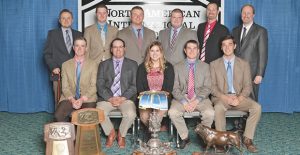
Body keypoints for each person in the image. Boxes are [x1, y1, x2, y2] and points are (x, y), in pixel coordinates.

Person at [210, 35, 261, 153]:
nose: (227, 47)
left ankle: (247, 138)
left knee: (257, 107)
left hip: (239, 97)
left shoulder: (243, 64)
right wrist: (225, 97)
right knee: (218, 108)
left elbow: (248, 86)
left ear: (235, 46)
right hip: (221, 97)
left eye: (230, 44)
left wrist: (239, 98)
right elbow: (212, 87)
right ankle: (221, 142)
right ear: (221, 48)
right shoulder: (214, 64)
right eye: (224, 45)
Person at [168, 40, 214, 149]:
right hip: (182, 97)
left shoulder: (206, 66)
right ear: (185, 50)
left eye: (194, 48)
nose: (192, 50)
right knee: (172, 112)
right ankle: (185, 137)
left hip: (200, 98)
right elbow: (174, 88)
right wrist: (184, 102)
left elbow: (208, 87)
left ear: (198, 51)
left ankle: (203, 136)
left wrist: (196, 100)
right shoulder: (177, 67)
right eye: (189, 48)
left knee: (210, 113)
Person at [96, 38, 138, 148]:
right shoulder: (103, 65)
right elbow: (100, 85)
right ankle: (111, 133)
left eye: (120, 47)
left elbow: (134, 86)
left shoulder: (133, 64)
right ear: (111, 49)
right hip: (107, 98)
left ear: (125, 49)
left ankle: (121, 135)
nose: (118, 49)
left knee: (131, 114)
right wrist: (110, 98)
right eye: (115, 47)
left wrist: (123, 98)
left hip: (125, 98)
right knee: (99, 112)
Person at [136, 41, 174, 140]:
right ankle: (152, 132)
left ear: (161, 52)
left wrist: (160, 95)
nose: (155, 53)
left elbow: (169, 88)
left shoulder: (168, 67)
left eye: (157, 50)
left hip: (163, 98)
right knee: (144, 116)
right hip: (146, 97)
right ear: (149, 53)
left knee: (156, 117)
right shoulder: (142, 67)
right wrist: (148, 96)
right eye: (152, 51)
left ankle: (151, 138)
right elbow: (140, 87)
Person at [44, 9, 82, 108]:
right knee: (59, 101)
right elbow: (47, 54)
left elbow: (83, 53)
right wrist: (53, 67)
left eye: (68, 18)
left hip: (76, 74)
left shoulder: (79, 34)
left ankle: (75, 119)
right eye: (63, 18)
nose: (66, 20)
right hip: (59, 74)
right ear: (59, 20)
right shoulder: (52, 34)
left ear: (72, 20)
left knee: (76, 99)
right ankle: (59, 121)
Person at [54, 37, 98, 122]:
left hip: (87, 98)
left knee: (85, 120)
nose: (80, 48)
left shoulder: (93, 64)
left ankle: (77, 132)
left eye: (82, 46)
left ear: (86, 48)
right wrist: (73, 100)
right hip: (69, 97)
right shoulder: (65, 65)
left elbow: (94, 86)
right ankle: (68, 133)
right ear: (73, 48)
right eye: (77, 46)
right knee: (58, 115)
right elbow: (65, 87)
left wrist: (81, 99)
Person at [232, 4, 268, 101]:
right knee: (238, 97)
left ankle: (253, 116)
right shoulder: (235, 30)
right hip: (236, 71)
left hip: (252, 72)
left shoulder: (261, 31)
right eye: (244, 13)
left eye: (249, 13)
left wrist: (260, 74)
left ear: (253, 15)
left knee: (252, 99)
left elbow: (263, 54)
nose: (246, 15)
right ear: (241, 15)